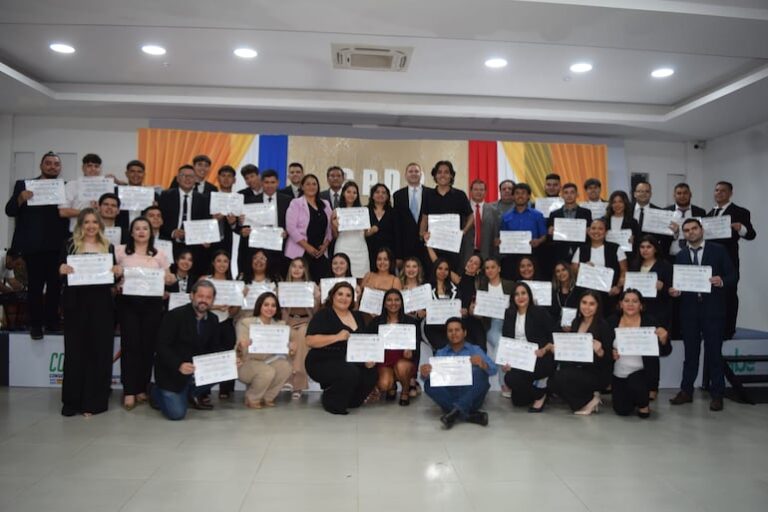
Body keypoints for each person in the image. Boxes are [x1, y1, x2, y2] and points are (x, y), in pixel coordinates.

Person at [669, 218, 736, 411]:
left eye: (694, 229)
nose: (691, 232)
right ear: (684, 234)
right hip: (689, 311)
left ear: (701, 230)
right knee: (690, 353)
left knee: (714, 353)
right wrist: (676, 291)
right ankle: (686, 391)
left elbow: (733, 276)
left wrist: (721, 280)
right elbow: (679, 283)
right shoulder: (681, 255)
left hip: (713, 310)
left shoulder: (719, 250)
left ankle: (717, 394)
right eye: (687, 230)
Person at [57, 208, 118, 416]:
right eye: (86, 222)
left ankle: (94, 402)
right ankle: (72, 401)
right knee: (75, 353)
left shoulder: (107, 247)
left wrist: (117, 273)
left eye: (94, 222)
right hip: (76, 305)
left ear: (100, 226)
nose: (91, 226)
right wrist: (61, 270)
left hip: (101, 305)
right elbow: (57, 272)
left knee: (99, 352)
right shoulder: (69, 245)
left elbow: (114, 278)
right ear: (80, 225)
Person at [5, 151, 70, 338]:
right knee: (34, 287)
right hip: (33, 247)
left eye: (56, 164)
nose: (52, 166)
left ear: (60, 168)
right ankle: (35, 325)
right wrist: (20, 199)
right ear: (41, 166)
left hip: (57, 247)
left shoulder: (65, 187)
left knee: (55, 288)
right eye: (48, 163)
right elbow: (9, 211)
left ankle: (52, 323)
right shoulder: (24, 185)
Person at [115, 217, 173, 410]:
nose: (141, 232)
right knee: (130, 346)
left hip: (152, 305)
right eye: (137, 229)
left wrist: (169, 278)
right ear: (131, 232)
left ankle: (141, 388)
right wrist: (115, 274)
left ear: (151, 232)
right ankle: (129, 390)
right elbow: (112, 276)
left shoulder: (160, 255)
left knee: (148, 347)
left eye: (145, 229)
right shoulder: (120, 251)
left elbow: (170, 277)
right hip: (129, 303)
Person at [150, 280, 221, 420]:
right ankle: (155, 391)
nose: (204, 300)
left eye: (208, 297)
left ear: (213, 300)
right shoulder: (174, 316)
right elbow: (162, 346)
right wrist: (179, 365)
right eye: (200, 296)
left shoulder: (213, 319)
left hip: (195, 371)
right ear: (192, 296)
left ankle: (189, 391)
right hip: (172, 373)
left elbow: (214, 348)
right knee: (177, 414)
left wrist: (229, 360)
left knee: (228, 370)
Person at [305, 282, 378, 414]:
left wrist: (367, 359)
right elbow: (309, 341)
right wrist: (336, 337)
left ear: (352, 299)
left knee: (371, 372)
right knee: (349, 372)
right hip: (322, 359)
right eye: (340, 294)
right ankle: (331, 401)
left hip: (349, 359)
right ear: (332, 296)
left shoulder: (358, 316)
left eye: (348, 295)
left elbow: (363, 342)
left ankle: (350, 400)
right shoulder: (323, 314)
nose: (344, 298)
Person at [420, 317, 496, 429]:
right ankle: (466, 415)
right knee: (428, 384)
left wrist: (483, 364)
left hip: (471, 396)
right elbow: (433, 377)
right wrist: (425, 373)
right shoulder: (441, 352)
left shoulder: (475, 350)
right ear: (446, 334)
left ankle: (454, 412)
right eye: (450, 331)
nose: (453, 333)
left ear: (464, 333)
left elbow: (493, 369)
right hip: (450, 395)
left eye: (457, 330)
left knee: (480, 374)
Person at [548, 291, 613, 415]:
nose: (587, 307)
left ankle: (588, 401)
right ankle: (589, 399)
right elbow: (573, 349)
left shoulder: (603, 325)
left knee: (561, 377)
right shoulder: (576, 322)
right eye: (584, 303)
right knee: (553, 382)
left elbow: (609, 359)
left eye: (591, 304)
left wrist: (600, 352)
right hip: (578, 368)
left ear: (598, 306)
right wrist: (558, 349)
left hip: (596, 371)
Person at [609, 289, 671, 418]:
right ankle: (635, 398)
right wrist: (611, 353)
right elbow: (604, 347)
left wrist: (664, 339)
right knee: (622, 410)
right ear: (620, 304)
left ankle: (644, 405)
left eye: (635, 301)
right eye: (626, 301)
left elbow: (666, 351)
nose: (630, 304)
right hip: (618, 374)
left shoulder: (650, 321)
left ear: (641, 305)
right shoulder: (611, 321)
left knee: (635, 382)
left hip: (642, 373)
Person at [707, 181, 756, 339]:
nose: (719, 193)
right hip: (710, 260)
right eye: (716, 190)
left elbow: (751, 234)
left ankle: (729, 330)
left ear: (730, 193)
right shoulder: (709, 214)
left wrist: (740, 228)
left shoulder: (740, 211)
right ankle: (712, 328)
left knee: (729, 293)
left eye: (723, 191)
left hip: (728, 259)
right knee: (712, 294)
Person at [628, 235, 672, 399]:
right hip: (637, 313)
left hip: (657, 312)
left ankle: (653, 387)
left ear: (655, 248)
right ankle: (637, 383)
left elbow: (673, 291)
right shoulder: (635, 264)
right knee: (639, 349)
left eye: (648, 247)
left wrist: (664, 286)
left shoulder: (665, 266)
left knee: (652, 352)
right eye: (642, 247)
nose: (645, 250)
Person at [501, 282, 556, 412]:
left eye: (523, 293)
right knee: (518, 400)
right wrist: (506, 362)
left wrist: (545, 349)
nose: (520, 297)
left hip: (540, 358)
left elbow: (553, 335)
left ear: (529, 295)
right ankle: (540, 393)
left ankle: (539, 396)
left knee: (514, 378)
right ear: (513, 298)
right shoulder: (509, 314)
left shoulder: (540, 312)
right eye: (516, 294)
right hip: (520, 360)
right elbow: (506, 341)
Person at [235, 292, 292, 408]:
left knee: (286, 367)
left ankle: (267, 396)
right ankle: (252, 397)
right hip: (246, 362)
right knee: (267, 371)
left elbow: (283, 351)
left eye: (273, 305)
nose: (269, 308)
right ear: (259, 306)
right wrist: (242, 345)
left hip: (268, 360)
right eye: (266, 305)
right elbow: (239, 349)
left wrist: (290, 347)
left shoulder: (280, 325)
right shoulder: (246, 323)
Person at [199, 250, 241, 399]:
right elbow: (197, 304)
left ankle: (226, 388)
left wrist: (238, 300)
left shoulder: (234, 284)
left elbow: (234, 312)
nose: (222, 264)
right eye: (219, 260)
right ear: (213, 263)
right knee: (205, 355)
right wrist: (216, 307)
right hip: (207, 321)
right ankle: (203, 391)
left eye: (225, 261)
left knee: (228, 355)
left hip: (226, 322)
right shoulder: (205, 280)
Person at [367, 289, 421, 405]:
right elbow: (370, 343)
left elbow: (417, 348)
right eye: (389, 300)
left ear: (401, 303)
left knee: (401, 366)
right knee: (384, 384)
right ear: (384, 303)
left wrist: (412, 352)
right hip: (385, 362)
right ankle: (392, 387)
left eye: (397, 300)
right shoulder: (376, 322)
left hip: (404, 361)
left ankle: (405, 392)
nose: (393, 303)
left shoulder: (411, 322)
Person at [419, 160, 473, 271]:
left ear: (451, 175)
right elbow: (424, 219)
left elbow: (471, 216)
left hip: (453, 246)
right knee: (433, 276)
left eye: (446, 172)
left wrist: (464, 231)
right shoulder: (428, 195)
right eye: (439, 172)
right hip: (433, 246)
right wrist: (422, 234)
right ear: (435, 175)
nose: (442, 175)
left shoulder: (460, 195)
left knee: (453, 276)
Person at [471, 257, 514, 393]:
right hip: (492, 325)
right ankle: (503, 383)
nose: (489, 270)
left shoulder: (510, 285)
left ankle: (497, 372)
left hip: (508, 324)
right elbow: (478, 313)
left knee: (504, 343)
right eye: (487, 268)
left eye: (492, 267)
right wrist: (475, 311)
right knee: (502, 343)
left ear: (499, 269)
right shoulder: (482, 288)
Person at [158, 164, 211, 274]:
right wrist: (173, 232)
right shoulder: (165, 195)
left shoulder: (203, 199)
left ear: (195, 179)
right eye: (183, 175)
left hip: (195, 247)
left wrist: (206, 238)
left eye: (191, 176)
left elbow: (206, 223)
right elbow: (160, 221)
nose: (187, 179)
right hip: (170, 244)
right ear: (177, 178)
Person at [281, 257, 321, 399]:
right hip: (289, 321)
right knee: (290, 334)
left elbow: (316, 313)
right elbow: (279, 312)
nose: (297, 269)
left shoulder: (312, 286)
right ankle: (295, 383)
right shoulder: (282, 286)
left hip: (306, 321)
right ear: (290, 269)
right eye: (294, 266)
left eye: (300, 267)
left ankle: (295, 379)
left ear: (305, 270)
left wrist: (316, 299)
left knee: (302, 333)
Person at [241, 169, 292, 278]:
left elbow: (291, 223)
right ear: (261, 183)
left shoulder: (287, 201)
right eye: (266, 182)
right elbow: (245, 226)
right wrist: (243, 227)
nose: (269, 186)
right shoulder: (251, 201)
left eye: (273, 182)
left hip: (280, 247)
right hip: (257, 248)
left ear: (278, 183)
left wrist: (287, 233)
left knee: (279, 277)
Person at [285, 174, 333, 283]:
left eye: (314, 184)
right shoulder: (296, 203)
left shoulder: (325, 204)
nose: (311, 187)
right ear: (302, 187)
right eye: (308, 184)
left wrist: (325, 245)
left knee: (320, 285)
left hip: (320, 252)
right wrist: (308, 247)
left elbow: (330, 227)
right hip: (301, 251)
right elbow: (291, 228)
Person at [572, 218, 627, 312]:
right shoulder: (581, 249)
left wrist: (618, 287)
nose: (596, 231)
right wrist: (584, 268)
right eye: (593, 228)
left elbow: (624, 270)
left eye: (600, 229)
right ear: (588, 231)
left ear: (606, 232)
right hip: (586, 294)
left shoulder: (616, 248)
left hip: (609, 295)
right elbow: (573, 270)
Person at [499, 183, 547, 280]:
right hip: (512, 258)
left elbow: (544, 236)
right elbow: (503, 237)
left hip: (533, 255)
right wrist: (499, 241)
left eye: (523, 193)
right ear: (513, 196)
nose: (520, 196)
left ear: (529, 196)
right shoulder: (506, 217)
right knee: (513, 283)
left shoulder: (538, 215)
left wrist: (539, 241)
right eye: (517, 193)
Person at [399, 256, 427, 397]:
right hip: (400, 322)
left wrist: (424, 311)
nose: (411, 270)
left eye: (414, 266)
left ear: (419, 269)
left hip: (417, 323)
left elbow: (429, 308)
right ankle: (408, 379)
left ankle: (412, 379)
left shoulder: (424, 288)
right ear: (404, 269)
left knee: (414, 337)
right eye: (408, 266)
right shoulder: (399, 286)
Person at [393, 163, 429, 271]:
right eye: (410, 171)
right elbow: (397, 226)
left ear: (421, 174)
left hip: (426, 246)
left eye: (416, 171)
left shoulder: (430, 193)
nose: (414, 174)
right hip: (405, 247)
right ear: (405, 175)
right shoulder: (398, 195)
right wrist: (398, 254)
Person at [58, 153, 108, 232]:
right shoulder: (72, 185)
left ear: (100, 169)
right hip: (78, 232)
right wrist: (88, 212)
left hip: (101, 232)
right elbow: (62, 212)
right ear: (83, 168)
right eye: (89, 166)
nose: (93, 169)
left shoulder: (107, 185)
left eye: (96, 166)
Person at [331, 181, 369, 278]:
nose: (351, 195)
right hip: (343, 247)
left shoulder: (363, 211)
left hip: (360, 249)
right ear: (343, 193)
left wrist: (370, 230)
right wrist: (334, 225)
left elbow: (365, 233)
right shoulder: (336, 211)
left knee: (361, 277)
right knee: (341, 277)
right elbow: (335, 235)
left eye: (354, 192)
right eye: (348, 192)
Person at [547, 182, 592, 264]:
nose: (569, 195)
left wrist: (589, 231)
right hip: (560, 253)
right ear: (562, 195)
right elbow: (550, 239)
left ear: (577, 195)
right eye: (566, 192)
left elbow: (589, 236)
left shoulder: (586, 213)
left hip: (581, 252)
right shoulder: (554, 214)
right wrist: (550, 233)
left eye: (572, 192)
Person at [421, 258, 459, 352]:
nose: (443, 272)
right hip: (431, 327)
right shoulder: (425, 288)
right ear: (435, 269)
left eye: (446, 269)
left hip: (451, 328)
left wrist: (463, 311)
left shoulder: (455, 289)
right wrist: (422, 312)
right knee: (445, 348)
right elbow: (420, 309)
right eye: (440, 268)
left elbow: (459, 308)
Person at [665, 183, 706, 260]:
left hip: (695, 255)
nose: (682, 196)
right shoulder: (666, 211)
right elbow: (661, 237)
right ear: (674, 196)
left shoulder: (700, 212)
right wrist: (674, 234)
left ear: (690, 194)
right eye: (679, 193)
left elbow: (703, 233)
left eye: (685, 193)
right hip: (670, 256)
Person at [461, 179, 499, 264]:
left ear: (485, 192)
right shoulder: (462, 208)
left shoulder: (493, 211)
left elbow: (495, 236)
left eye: (481, 190)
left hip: (486, 255)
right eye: (476, 189)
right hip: (465, 254)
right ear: (470, 191)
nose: (479, 192)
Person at [365, 183, 397, 272]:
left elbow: (398, 235)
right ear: (372, 195)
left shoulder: (394, 212)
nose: (380, 194)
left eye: (384, 193)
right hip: (368, 252)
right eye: (377, 192)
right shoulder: (364, 211)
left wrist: (398, 256)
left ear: (387, 196)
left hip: (389, 252)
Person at [604, 190, 641, 261]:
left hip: (627, 257)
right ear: (611, 204)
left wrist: (634, 241)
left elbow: (639, 241)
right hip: (607, 256)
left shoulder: (633, 222)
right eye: (614, 202)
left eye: (620, 202)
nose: (617, 205)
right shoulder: (604, 220)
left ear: (625, 203)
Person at [550, 261, 579, 329]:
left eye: (563, 270)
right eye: (558, 271)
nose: (561, 273)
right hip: (556, 327)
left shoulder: (578, 289)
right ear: (555, 275)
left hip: (575, 327)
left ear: (569, 271)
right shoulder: (552, 291)